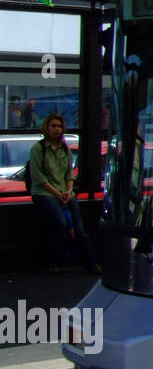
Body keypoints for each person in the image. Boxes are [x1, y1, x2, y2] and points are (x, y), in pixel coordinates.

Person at [29, 113, 100, 275]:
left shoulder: (64, 149)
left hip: (65, 192)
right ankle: (55, 261)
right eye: (53, 126)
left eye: (59, 126)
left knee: (79, 227)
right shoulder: (38, 149)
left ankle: (92, 262)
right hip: (45, 192)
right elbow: (38, 177)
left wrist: (68, 191)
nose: (56, 129)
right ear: (47, 128)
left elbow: (69, 174)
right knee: (60, 224)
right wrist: (57, 193)